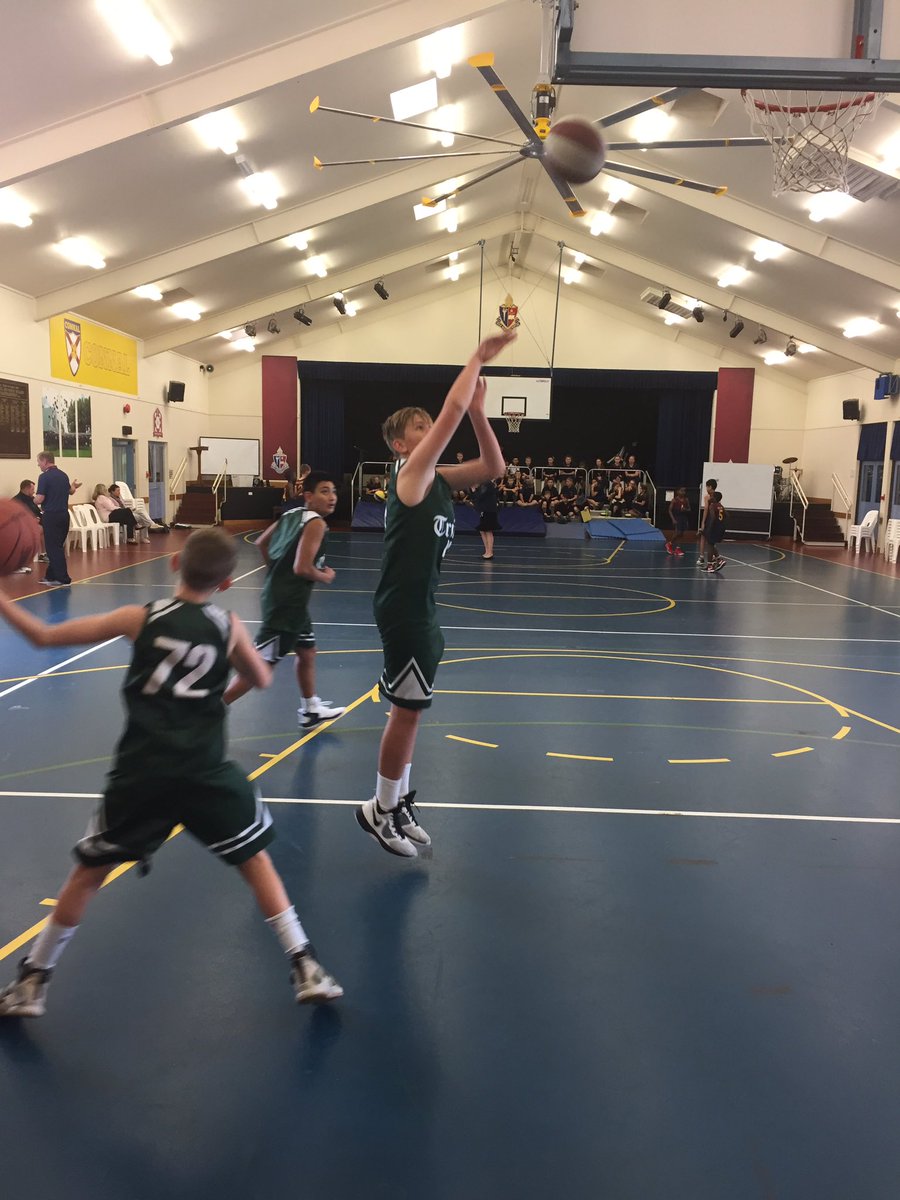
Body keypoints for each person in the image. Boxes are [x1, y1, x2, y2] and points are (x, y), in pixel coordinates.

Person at [0, 528, 342, 1018]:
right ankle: (304, 963)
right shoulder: (227, 624)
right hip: (206, 771)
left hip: (142, 773)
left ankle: (33, 979)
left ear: (175, 562)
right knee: (255, 861)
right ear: (227, 583)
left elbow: (42, 636)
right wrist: (225, 678)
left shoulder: (139, 618)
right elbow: (263, 677)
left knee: (87, 874)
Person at [356, 330, 514, 858]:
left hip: (420, 606)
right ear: (401, 445)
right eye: (419, 428)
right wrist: (477, 358)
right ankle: (378, 810)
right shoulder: (410, 475)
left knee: (411, 711)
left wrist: (480, 412)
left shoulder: (438, 479)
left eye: (429, 424)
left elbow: (495, 468)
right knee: (406, 710)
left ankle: (396, 801)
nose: (430, 430)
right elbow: (450, 412)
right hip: (404, 609)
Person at [224, 471, 345, 730]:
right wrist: (324, 576)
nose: (332, 497)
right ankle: (209, 710)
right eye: (324, 491)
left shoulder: (291, 515)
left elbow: (261, 543)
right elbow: (302, 568)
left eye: (334, 491)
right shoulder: (317, 525)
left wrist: (277, 571)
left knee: (307, 651)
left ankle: (310, 710)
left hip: (288, 601)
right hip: (287, 606)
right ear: (308, 496)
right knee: (258, 667)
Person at [34, 451, 80, 587]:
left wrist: (30, 500)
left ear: (45, 461)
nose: (38, 465)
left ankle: (63, 579)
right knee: (57, 546)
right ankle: (51, 576)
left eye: (39, 462)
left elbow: (40, 498)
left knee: (53, 548)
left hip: (51, 516)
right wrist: (73, 487)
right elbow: (70, 491)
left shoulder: (44, 477)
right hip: (64, 515)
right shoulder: (63, 475)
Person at [11, 480, 44, 573]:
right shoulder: (16, 500)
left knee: (48, 527)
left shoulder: (32, 499)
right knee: (39, 529)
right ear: (26, 489)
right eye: (32, 489)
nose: (34, 491)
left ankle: (42, 554)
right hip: (20, 527)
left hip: (35, 523)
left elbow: (38, 512)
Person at [472, 477, 501, 559]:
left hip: (489, 510)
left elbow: (480, 496)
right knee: (482, 531)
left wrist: (474, 490)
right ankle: (487, 550)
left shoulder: (487, 484)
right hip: (485, 510)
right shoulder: (485, 485)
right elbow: (477, 497)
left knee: (488, 531)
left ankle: (490, 552)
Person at [704, 490, 727, 573]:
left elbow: (713, 518)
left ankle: (710, 566)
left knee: (709, 545)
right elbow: (727, 515)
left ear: (714, 498)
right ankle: (719, 560)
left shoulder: (712, 506)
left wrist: (709, 528)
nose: (710, 497)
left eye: (712, 496)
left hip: (714, 527)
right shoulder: (721, 506)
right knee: (712, 544)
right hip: (721, 527)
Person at [697, 478, 718, 567]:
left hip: (709, 519)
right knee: (711, 539)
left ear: (710, 487)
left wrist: (703, 522)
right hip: (714, 519)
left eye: (707, 486)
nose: (706, 488)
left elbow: (706, 509)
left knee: (704, 538)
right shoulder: (717, 496)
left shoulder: (707, 497)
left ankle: (702, 557)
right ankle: (713, 557)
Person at [666, 487, 690, 556]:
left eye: (684, 491)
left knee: (681, 534)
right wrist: (673, 519)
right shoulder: (674, 500)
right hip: (677, 517)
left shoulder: (686, 500)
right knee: (677, 532)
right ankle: (669, 544)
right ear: (677, 491)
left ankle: (678, 548)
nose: (683, 492)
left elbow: (689, 509)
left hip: (684, 517)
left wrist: (685, 509)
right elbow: (670, 510)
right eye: (681, 491)